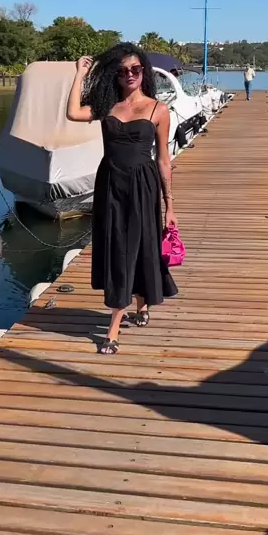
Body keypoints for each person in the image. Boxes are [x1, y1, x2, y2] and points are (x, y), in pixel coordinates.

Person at [67, 43, 178, 355]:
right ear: (114, 75)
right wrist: (80, 75)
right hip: (111, 184)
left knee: (140, 244)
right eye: (122, 71)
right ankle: (138, 305)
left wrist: (170, 206)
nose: (129, 75)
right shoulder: (107, 106)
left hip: (143, 186)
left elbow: (163, 160)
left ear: (144, 72)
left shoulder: (158, 110)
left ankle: (114, 327)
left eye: (135, 69)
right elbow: (73, 112)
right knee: (119, 248)